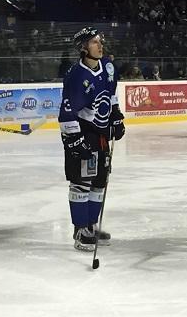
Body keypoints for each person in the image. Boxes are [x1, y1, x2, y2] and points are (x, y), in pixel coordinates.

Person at [58, 27, 125, 252]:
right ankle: (80, 229)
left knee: (99, 182)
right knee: (81, 182)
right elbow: (67, 111)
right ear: (83, 48)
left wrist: (116, 116)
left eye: (100, 41)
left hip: (101, 134)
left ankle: (91, 226)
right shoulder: (76, 75)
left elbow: (111, 93)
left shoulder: (107, 66)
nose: (100, 45)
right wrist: (74, 140)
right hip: (83, 131)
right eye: (95, 42)